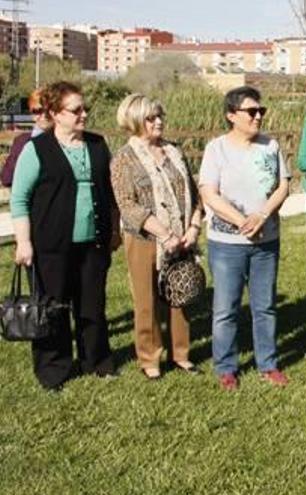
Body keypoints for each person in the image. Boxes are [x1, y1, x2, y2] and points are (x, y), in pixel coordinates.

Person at [10, 81, 120, 390]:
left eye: (85, 109)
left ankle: (97, 362)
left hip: (93, 244)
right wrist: (24, 242)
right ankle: (53, 370)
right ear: (56, 114)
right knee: (52, 309)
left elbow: (109, 193)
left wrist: (113, 230)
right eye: (76, 110)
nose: (84, 114)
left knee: (92, 307)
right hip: (49, 247)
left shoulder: (98, 145)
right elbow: (19, 199)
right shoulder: (36, 149)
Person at [198, 86, 291, 390]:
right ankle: (226, 367)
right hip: (227, 245)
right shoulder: (217, 149)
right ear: (231, 115)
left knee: (264, 306)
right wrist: (240, 221)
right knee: (226, 308)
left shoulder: (270, 146)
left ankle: (268, 364)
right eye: (251, 112)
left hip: (266, 241)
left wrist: (262, 216)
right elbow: (208, 192)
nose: (258, 116)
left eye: (260, 111)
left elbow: (282, 187)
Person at [110, 94, 203, 380]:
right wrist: (164, 234)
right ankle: (150, 358)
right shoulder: (124, 158)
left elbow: (194, 193)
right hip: (145, 239)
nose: (159, 121)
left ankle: (181, 354)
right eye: (151, 118)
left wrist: (192, 228)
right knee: (147, 299)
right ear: (135, 121)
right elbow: (127, 204)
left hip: (182, 236)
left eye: (160, 115)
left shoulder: (174, 151)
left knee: (180, 292)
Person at [2, 89, 53, 187]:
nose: (44, 115)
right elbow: (7, 178)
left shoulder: (65, 139)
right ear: (31, 114)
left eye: (48, 110)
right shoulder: (21, 142)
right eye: (37, 111)